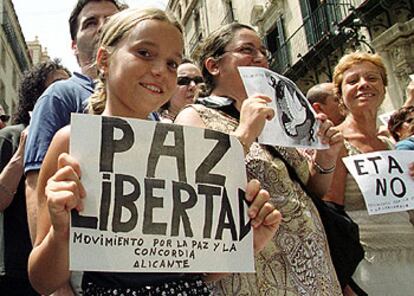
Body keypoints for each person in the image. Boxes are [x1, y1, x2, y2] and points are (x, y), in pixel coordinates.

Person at [28, 8, 281, 296]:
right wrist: (60, 233)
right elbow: (42, 280)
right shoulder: (70, 143)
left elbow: (201, 273)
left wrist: (247, 242)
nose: (161, 70)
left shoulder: (189, 146)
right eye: (145, 53)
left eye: (173, 63)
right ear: (104, 60)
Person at [175, 22, 343, 295]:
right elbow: (195, 189)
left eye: (263, 51)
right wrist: (245, 132)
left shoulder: (280, 120)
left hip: (315, 272)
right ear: (213, 66)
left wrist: (326, 157)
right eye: (246, 49)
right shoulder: (194, 117)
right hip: (257, 275)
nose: (261, 57)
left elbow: (310, 190)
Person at [24, 0, 123, 242]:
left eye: (111, 20)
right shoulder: (59, 96)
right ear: (74, 45)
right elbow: (37, 185)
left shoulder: (147, 106)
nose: (102, 27)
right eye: (90, 23)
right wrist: (52, 276)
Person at [325, 51, 414, 295]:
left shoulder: (393, 146)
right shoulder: (335, 143)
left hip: (409, 262)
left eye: (372, 78)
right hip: (365, 270)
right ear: (341, 95)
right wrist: (343, 281)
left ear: (384, 88)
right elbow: (329, 212)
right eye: (353, 81)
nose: (364, 84)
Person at [0, 60, 70, 295]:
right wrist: (22, 156)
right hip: (16, 271)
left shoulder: (74, 140)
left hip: (64, 272)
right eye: (58, 84)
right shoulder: (9, 137)